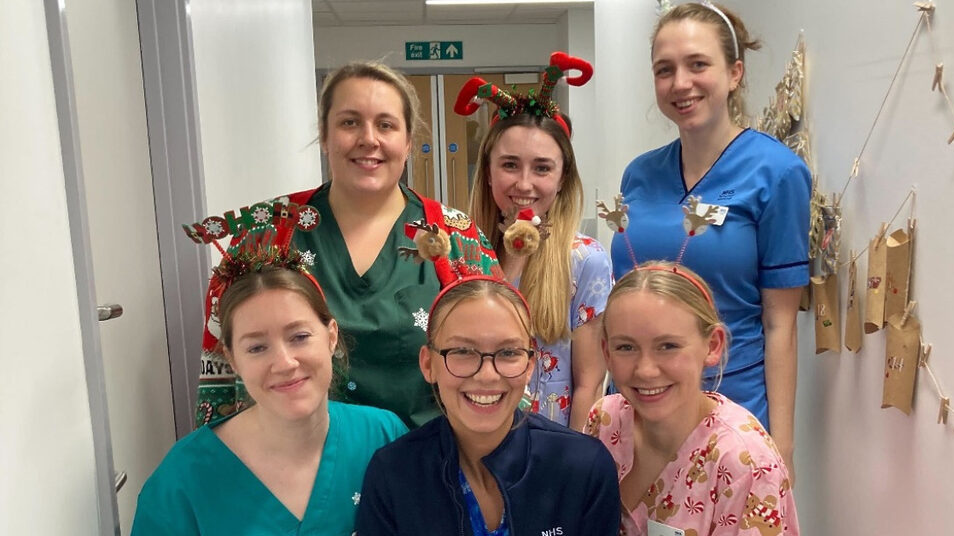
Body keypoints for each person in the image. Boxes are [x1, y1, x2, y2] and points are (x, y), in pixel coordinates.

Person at [186, 61, 501, 429]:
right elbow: (222, 376)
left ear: (408, 141)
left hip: (428, 469)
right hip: (294, 470)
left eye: (386, 124)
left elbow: (500, 362)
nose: (369, 138)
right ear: (324, 135)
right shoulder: (265, 234)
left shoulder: (458, 241)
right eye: (350, 122)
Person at [610, 2, 810, 474]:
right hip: (636, 401)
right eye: (665, 69)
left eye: (698, 64)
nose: (681, 83)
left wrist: (782, 445)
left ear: (735, 72)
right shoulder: (639, 174)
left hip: (728, 408)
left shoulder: (777, 174)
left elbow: (780, 324)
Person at [133, 251, 407, 535]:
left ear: (331, 336)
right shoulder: (183, 481)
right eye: (257, 347)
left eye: (299, 337)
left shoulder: (383, 437)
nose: (285, 363)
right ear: (233, 360)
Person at [356, 276, 620, 535]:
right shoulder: (393, 474)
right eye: (462, 351)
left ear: (529, 365)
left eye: (508, 353)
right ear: (428, 364)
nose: (487, 375)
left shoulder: (584, 468)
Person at [586, 262, 799, 535]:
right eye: (626, 347)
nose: (646, 370)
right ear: (606, 352)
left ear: (712, 346)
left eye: (668, 346)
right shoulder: (604, 422)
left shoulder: (744, 463)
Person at [463, 52, 612, 430]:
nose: (524, 184)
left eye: (542, 168)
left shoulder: (584, 260)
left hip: (551, 450)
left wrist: (575, 463)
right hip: (472, 442)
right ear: (489, 172)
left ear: (562, 178)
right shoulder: (464, 251)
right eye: (510, 165)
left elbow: (589, 383)